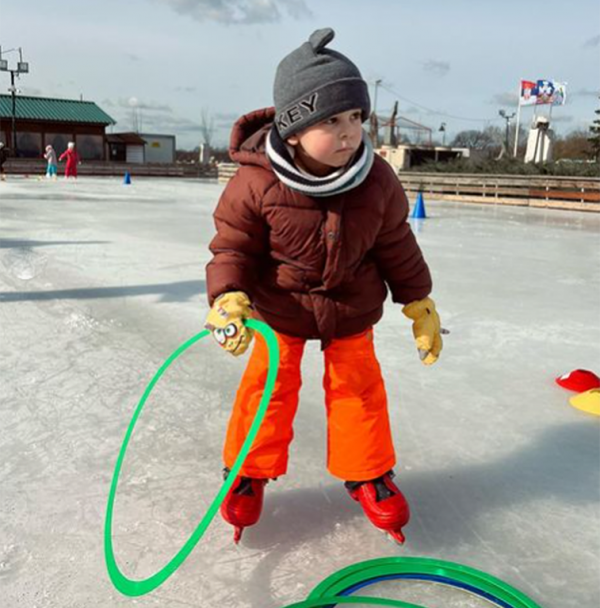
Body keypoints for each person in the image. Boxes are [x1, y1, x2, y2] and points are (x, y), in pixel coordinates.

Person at [204, 28, 445, 545]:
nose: (349, 133)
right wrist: (228, 296)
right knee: (267, 389)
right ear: (293, 129)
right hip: (280, 307)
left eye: (356, 118)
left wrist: (418, 299)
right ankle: (247, 470)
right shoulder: (256, 181)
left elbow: (396, 243)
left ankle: (369, 472)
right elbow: (233, 247)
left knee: (358, 390)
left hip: (350, 306)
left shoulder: (376, 178)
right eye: (331, 121)